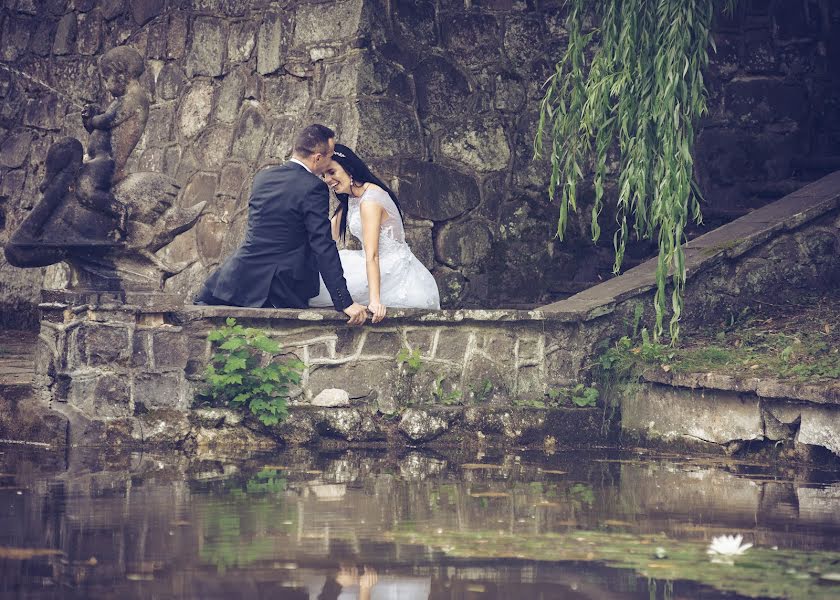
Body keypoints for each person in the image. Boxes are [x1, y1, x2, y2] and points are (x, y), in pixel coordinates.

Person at [194, 125, 368, 326]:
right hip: (279, 286)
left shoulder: (263, 177)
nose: (330, 161)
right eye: (329, 156)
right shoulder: (313, 187)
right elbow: (322, 245)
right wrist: (343, 301)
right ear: (318, 158)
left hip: (239, 277)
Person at [308, 145, 440, 321]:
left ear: (349, 169)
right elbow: (326, 236)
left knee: (318, 288)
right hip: (367, 259)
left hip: (389, 267)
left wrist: (375, 301)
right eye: (324, 175)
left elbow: (373, 255)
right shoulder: (352, 199)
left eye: (332, 172)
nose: (328, 179)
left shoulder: (370, 200)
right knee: (315, 275)